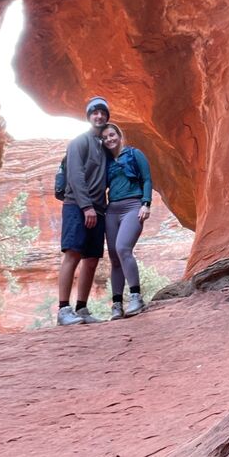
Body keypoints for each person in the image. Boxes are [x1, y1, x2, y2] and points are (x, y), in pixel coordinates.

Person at [57, 96, 110, 326]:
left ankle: (82, 309)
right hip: (76, 206)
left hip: (98, 210)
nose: (99, 116)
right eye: (94, 112)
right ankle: (63, 310)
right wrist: (86, 206)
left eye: (102, 113)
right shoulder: (79, 142)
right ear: (88, 117)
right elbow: (76, 176)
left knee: (91, 259)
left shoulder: (105, 147)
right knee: (73, 254)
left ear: (107, 116)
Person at [101, 123, 153, 320]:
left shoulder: (134, 154)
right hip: (112, 210)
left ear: (119, 135)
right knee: (114, 258)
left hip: (133, 206)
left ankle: (135, 297)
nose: (109, 140)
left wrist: (146, 204)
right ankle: (116, 305)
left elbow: (147, 179)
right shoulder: (106, 162)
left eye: (112, 135)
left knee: (123, 248)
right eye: (105, 138)